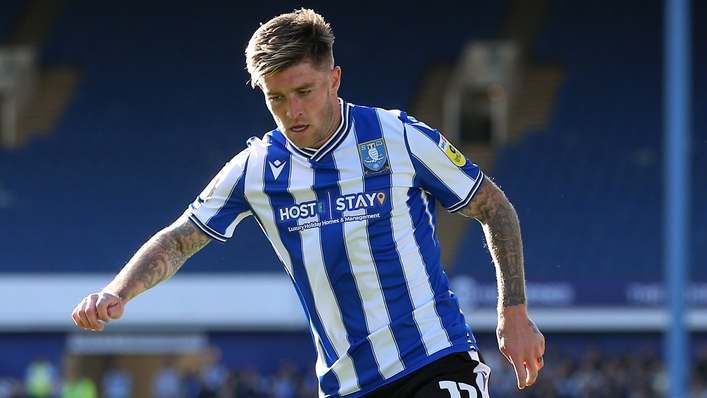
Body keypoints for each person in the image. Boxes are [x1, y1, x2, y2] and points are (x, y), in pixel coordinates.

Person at [71, 8, 545, 397]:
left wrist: (514, 312)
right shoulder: (255, 169)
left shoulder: (397, 137)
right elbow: (178, 241)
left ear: (334, 79)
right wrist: (118, 291)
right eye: (276, 98)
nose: (292, 111)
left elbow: (493, 206)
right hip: (345, 386)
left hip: (434, 359)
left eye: (304, 92)